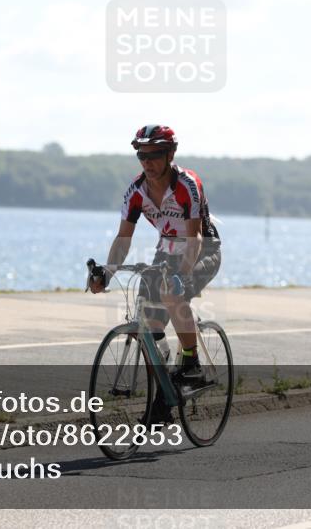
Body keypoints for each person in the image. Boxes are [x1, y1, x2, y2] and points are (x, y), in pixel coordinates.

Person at [89, 124, 222, 423]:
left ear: (170, 154)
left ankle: (192, 363)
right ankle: (164, 399)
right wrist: (107, 274)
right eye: (141, 155)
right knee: (148, 326)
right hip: (166, 252)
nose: (147, 161)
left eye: (155, 155)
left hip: (202, 249)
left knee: (172, 292)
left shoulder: (187, 184)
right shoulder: (136, 191)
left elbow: (195, 237)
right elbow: (123, 238)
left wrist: (184, 274)